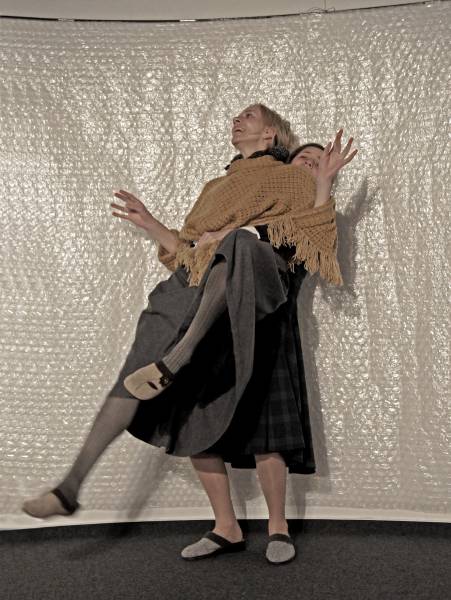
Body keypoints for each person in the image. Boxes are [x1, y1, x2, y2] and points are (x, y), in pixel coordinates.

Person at [22, 104, 357, 565]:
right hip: (210, 298)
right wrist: (151, 223)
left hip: (260, 307)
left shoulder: (292, 181)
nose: (238, 118)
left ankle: (277, 526)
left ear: (271, 135)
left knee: (240, 245)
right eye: (307, 158)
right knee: (170, 392)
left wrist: (310, 188)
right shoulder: (215, 189)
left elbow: (312, 237)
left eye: (250, 115)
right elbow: (189, 252)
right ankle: (71, 485)